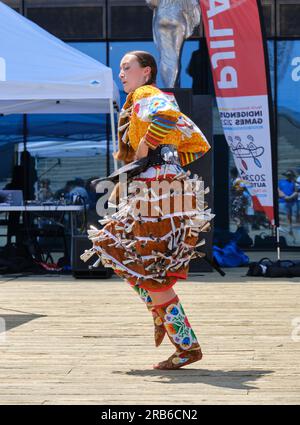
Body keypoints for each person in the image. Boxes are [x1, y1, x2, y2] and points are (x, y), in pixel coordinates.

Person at [81, 51, 213, 370]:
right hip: (155, 189)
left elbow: (167, 116)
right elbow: (186, 144)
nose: (121, 73)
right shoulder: (139, 100)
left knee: (147, 271)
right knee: (119, 252)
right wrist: (149, 164)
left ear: (146, 72)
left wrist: (145, 149)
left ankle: (185, 345)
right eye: (120, 69)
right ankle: (161, 313)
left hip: (158, 193)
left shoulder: (146, 93)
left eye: (127, 67)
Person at [278, 170, 298, 235]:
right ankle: (286, 230)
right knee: (284, 216)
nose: (289, 176)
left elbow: (296, 191)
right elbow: (278, 190)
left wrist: (290, 197)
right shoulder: (280, 182)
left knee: (293, 216)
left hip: (293, 202)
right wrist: (284, 196)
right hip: (283, 202)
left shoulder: (294, 182)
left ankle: (292, 229)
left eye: (290, 175)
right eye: (288, 175)